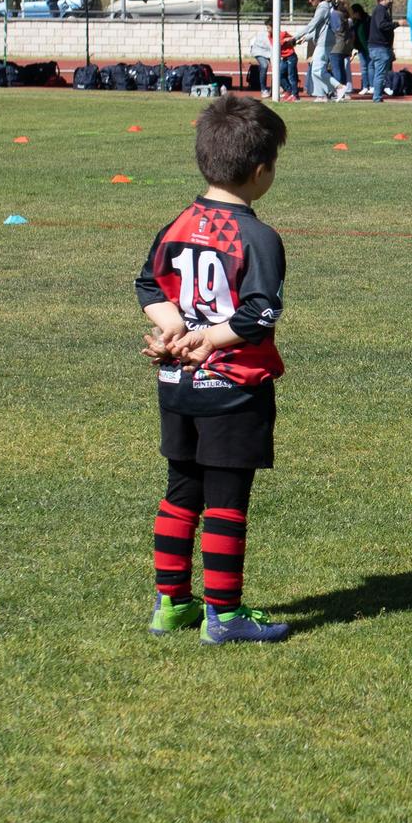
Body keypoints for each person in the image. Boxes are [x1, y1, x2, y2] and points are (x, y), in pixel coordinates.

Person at [134, 93, 292, 644]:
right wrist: (202, 337)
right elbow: (259, 313)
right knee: (226, 502)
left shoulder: (178, 223)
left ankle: (171, 604)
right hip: (232, 388)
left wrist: (173, 329)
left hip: (178, 386)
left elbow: (148, 285)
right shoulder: (257, 236)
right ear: (260, 170)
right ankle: (224, 616)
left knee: (180, 490)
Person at [368, 0, 399, 102]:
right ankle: (377, 97)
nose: (391, 1)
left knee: (378, 72)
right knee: (380, 73)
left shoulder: (379, 10)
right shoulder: (381, 10)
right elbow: (382, 25)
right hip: (379, 47)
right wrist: (396, 23)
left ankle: (376, 95)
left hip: (377, 46)